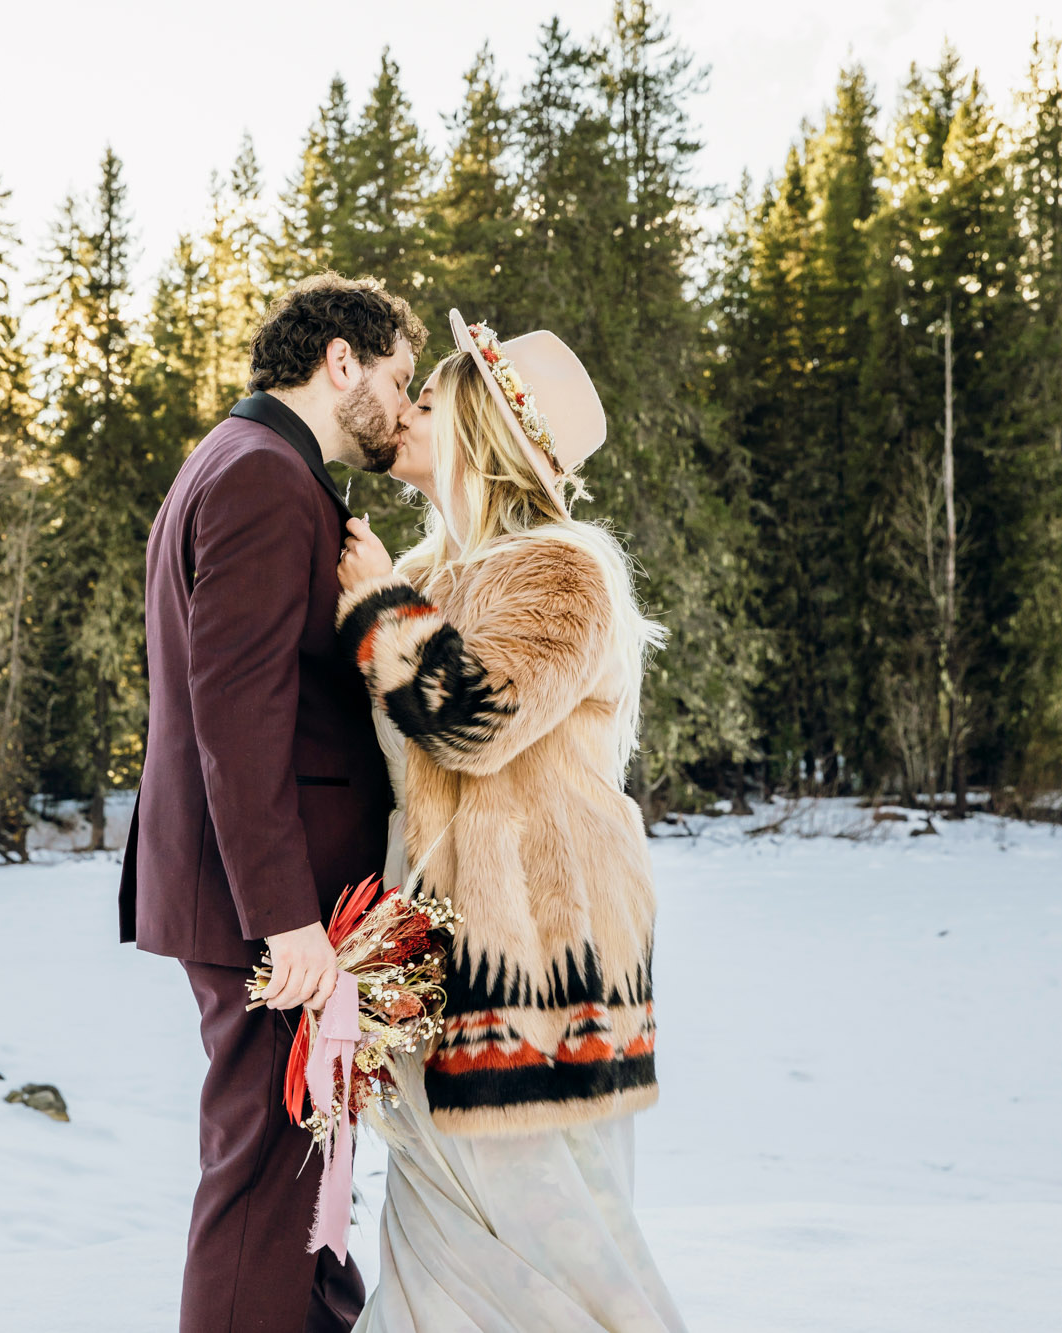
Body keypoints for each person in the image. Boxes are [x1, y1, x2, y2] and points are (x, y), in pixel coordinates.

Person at [334, 311, 688, 1331]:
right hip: (441, 973)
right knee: (433, 1270)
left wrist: (378, 605)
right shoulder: (434, 568)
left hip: (535, 974)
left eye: (429, 396)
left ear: (481, 425)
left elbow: (471, 720)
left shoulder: (561, 568)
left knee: (567, 1277)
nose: (404, 410)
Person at [118, 273, 426, 1333]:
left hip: (284, 907)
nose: (402, 405)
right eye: (397, 378)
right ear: (338, 361)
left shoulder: (249, 463)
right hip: (272, 916)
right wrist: (287, 915)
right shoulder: (257, 477)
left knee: (306, 1185)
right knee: (262, 1188)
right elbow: (234, 712)